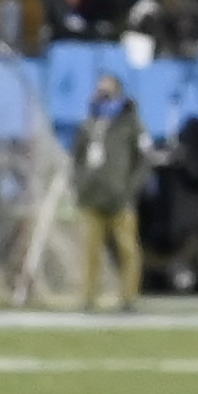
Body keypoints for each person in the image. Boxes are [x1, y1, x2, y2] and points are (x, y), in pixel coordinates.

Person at [72, 74, 146, 313]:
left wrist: (130, 187)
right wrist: (81, 182)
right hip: (92, 195)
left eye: (107, 89)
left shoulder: (131, 123)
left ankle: (129, 298)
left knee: (127, 248)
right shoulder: (90, 122)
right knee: (90, 250)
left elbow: (144, 159)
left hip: (120, 197)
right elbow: (78, 157)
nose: (102, 93)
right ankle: (88, 297)